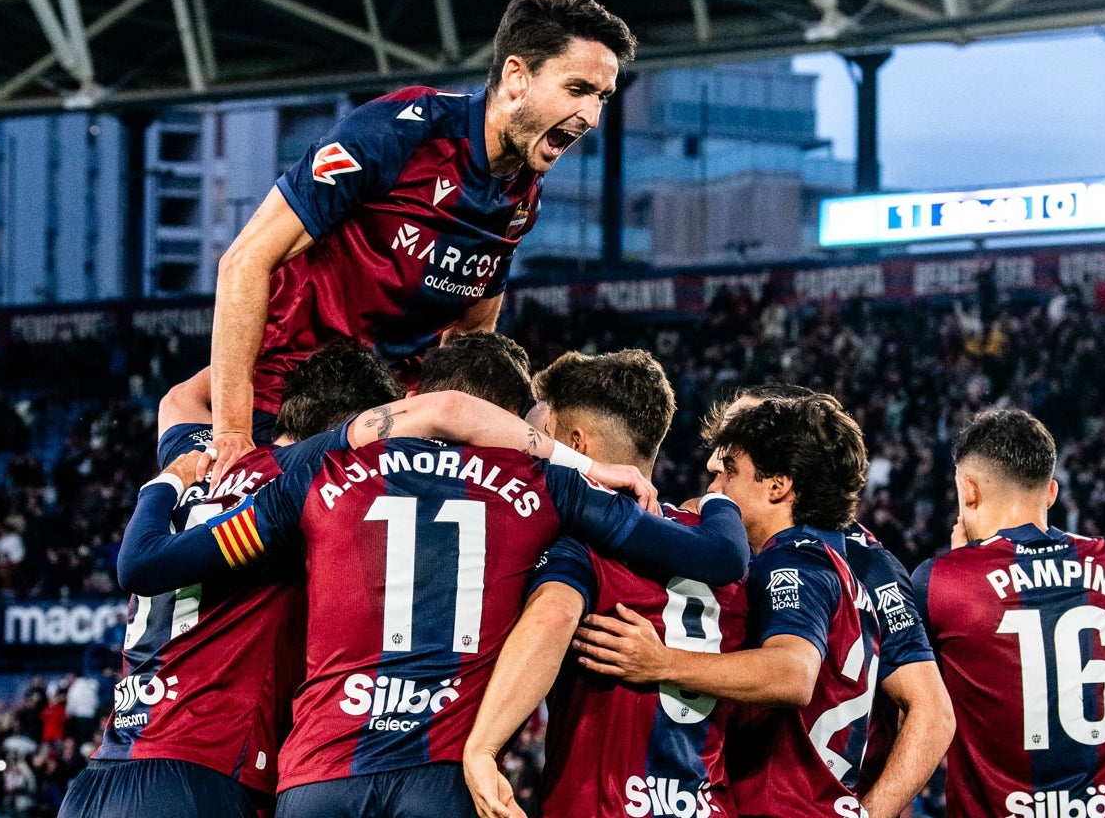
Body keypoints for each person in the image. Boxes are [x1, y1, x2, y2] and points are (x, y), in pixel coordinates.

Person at [118, 340, 749, 818]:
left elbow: (146, 564)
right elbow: (721, 559)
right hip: (440, 778)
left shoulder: (314, 477)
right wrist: (716, 495)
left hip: (319, 778)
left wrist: (171, 477)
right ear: (511, 418)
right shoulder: (549, 486)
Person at [203, 0, 637, 482]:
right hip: (287, 410)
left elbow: (471, 335)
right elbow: (243, 262)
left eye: (603, 97)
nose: (592, 116)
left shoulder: (524, 193)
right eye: (578, 89)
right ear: (517, 76)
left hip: (386, 426)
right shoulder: (397, 133)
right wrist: (232, 430)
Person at [60, 341, 406, 818]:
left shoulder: (198, 455)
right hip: (204, 776)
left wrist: (266, 345)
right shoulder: (307, 472)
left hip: (102, 777)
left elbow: (178, 399)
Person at [462, 350, 748, 818]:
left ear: (578, 444)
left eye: (541, 439)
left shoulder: (584, 545)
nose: (532, 452)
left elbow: (554, 613)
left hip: (604, 806)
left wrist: (483, 748)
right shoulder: (722, 550)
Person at [573, 395, 881, 818]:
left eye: (730, 473)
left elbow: (792, 674)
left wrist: (660, 662)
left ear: (778, 486)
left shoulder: (789, 562)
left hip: (788, 807)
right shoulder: (840, 570)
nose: (716, 489)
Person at [702, 385, 953, 817]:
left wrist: (870, 813)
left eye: (730, 454)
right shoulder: (737, 541)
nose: (712, 463)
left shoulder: (865, 564)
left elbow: (931, 713)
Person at [912, 409, 1105, 818]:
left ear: (968, 490)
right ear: (1051, 493)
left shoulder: (942, 582)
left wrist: (965, 559)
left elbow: (912, 707)